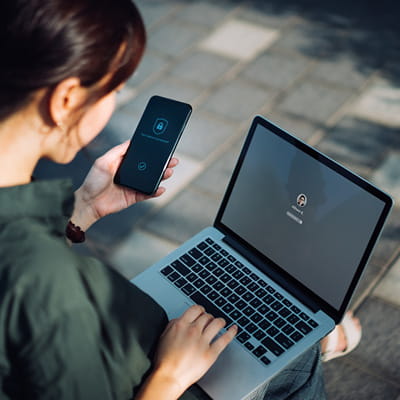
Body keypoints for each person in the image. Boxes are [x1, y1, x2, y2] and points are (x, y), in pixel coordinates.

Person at [0, 1, 360, 399]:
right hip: (152, 375)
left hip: (121, 338)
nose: (115, 101)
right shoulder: (44, 282)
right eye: (113, 89)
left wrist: (84, 208)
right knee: (297, 357)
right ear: (65, 99)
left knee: (276, 342)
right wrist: (171, 375)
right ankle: (307, 347)